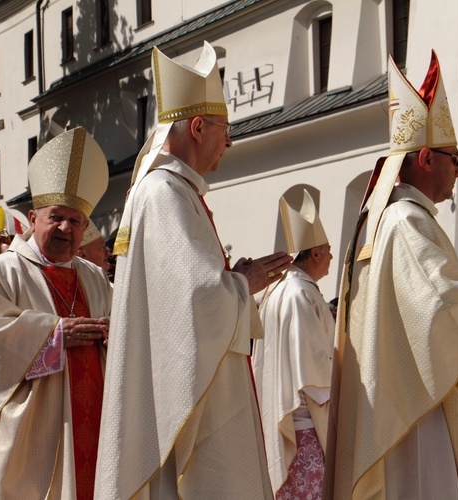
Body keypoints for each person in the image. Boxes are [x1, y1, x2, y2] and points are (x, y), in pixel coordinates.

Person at [324, 51, 458, 500]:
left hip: (405, 393)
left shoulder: (394, 216)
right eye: (453, 158)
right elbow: (439, 311)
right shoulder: (405, 221)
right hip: (414, 410)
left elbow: (419, 312)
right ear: (424, 158)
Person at [96, 42, 291, 499]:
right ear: (198, 127)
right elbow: (196, 303)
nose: (230, 141)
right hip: (196, 402)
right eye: (226, 130)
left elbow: (192, 290)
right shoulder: (165, 193)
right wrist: (244, 283)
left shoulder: (174, 190)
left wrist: (235, 281)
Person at [0, 127, 112, 500]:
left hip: (96, 424)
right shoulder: (0, 271)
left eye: (76, 221)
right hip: (33, 431)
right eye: (56, 217)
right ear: (32, 218)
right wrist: (56, 335)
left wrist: (113, 332)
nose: (65, 228)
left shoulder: (93, 276)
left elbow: (121, 332)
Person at [252, 189, 334, 498]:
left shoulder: (277, 291)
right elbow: (313, 374)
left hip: (283, 417)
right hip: (306, 429)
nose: (330, 256)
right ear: (314, 253)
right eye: (327, 249)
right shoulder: (300, 294)